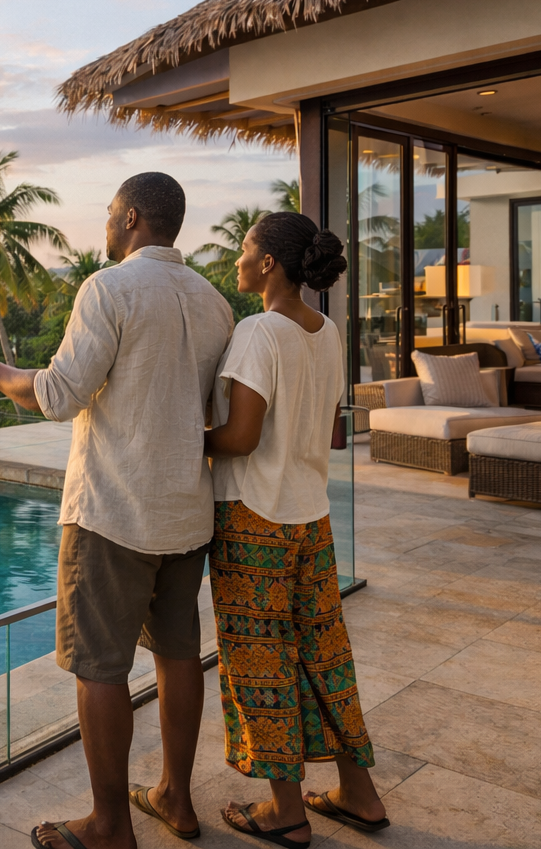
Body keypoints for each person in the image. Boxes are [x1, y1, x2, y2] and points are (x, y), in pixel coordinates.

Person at [0, 173, 233, 849]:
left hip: (113, 514)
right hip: (187, 513)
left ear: (131, 218)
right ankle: (176, 800)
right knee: (179, 655)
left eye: (108, 214)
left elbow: (59, 394)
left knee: (101, 667)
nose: (104, 225)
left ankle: (108, 826)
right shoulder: (215, 303)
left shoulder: (110, 289)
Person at [202, 211, 389, 847]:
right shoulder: (326, 330)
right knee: (322, 654)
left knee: (260, 661)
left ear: (269, 265)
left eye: (244, 250)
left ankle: (284, 809)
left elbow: (241, 437)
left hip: (256, 515)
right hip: (311, 513)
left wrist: (181, 441)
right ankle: (357, 792)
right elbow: (328, 426)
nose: (237, 261)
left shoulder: (260, 331)